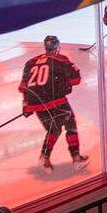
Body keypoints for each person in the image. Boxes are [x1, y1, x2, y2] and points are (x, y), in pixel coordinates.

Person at [20, 35, 88, 174]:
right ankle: (76, 159)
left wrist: (26, 105)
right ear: (57, 47)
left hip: (36, 104)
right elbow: (76, 80)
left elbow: (23, 87)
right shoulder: (61, 59)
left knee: (54, 129)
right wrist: (65, 82)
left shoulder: (30, 62)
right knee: (70, 125)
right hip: (56, 101)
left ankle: (44, 157)